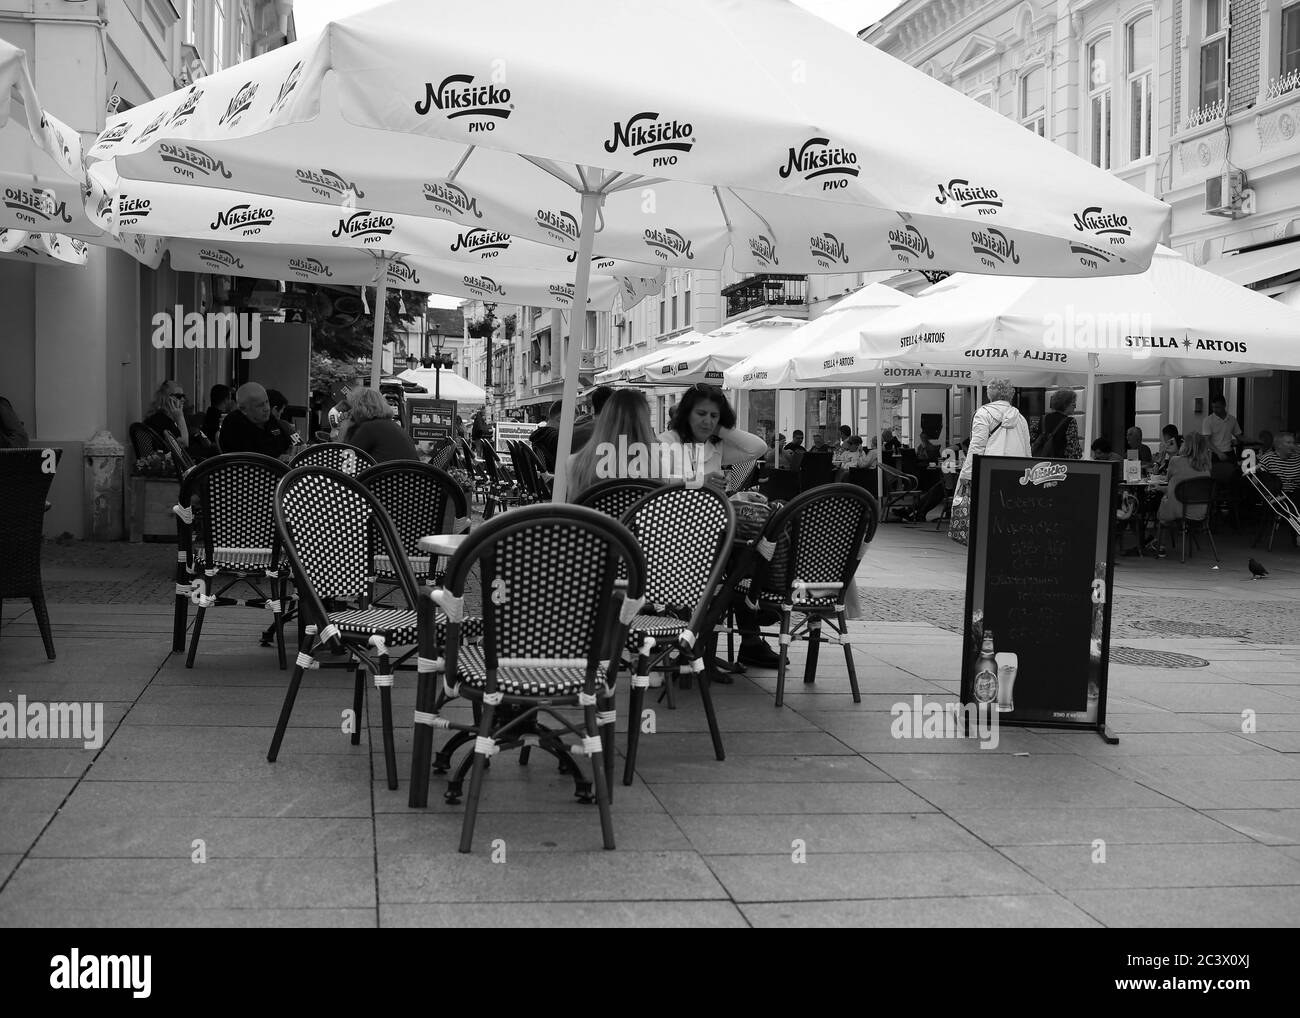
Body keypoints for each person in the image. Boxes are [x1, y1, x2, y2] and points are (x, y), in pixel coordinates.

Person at [656, 385, 775, 673]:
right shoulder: (666, 442)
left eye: (713, 415)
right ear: (686, 413)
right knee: (739, 561)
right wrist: (700, 481)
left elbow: (758, 448)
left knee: (754, 548)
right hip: (674, 534)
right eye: (700, 414)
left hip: (711, 531)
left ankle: (749, 612)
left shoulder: (715, 444)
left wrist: (720, 428)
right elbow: (658, 485)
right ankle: (748, 617)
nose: (706, 421)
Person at [565, 388, 656, 497]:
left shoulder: (575, 463)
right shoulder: (662, 462)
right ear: (644, 423)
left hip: (594, 513)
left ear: (605, 417)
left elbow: (573, 510)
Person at [956, 378, 1032, 488]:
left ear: (989, 394)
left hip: (990, 469)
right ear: (1011, 395)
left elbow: (977, 446)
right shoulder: (1020, 417)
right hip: (1017, 472)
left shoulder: (983, 414)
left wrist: (967, 474)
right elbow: (1027, 449)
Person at [1153, 433, 1214, 556]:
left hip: (1177, 509)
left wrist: (1159, 488)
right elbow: (1181, 488)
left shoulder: (1176, 461)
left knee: (1163, 501)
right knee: (1169, 498)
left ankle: (1160, 544)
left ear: (1187, 445)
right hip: (1199, 511)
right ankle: (1159, 542)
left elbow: (1170, 483)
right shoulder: (1207, 465)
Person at [338, 386, 420, 463]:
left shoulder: (369, 428)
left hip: (386, 476)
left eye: (352, 407)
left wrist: (344, 429)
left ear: (359, 408)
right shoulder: (391, 426)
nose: (350, 412)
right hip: (410, 476)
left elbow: (344, 461)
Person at [218, 383, 294, 460]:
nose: (266, 408)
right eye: (260, 405)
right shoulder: (234, 423)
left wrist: (292, 451)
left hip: (278, 468)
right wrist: (278, 457)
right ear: (243, 409)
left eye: (267, 402)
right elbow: (248, 457)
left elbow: (287, 445)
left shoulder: (269, 419)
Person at [1032, 389, 1082, 458]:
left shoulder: (1043, 418)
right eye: (1073, 403)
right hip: (1060, 464)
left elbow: (1033, 438)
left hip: (1040, 462)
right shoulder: (1070, 421)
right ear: (1065, 404)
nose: (1075, 406)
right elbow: (1073, 449)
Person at [143, 380, 190, 448]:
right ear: (167, 398)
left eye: (183, 396)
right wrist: (180, 417)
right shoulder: (161, 419)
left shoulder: (163, 416)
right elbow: (184, 444)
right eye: (178, 396)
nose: (183, 399)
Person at [1201, 395, 1242, 461]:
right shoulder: (1208, 420)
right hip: (1215, 453)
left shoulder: (1232, 419)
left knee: (1233, 470)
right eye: (1213, 407)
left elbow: (1239, 436)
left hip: (1230, 452)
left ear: (1224, 405)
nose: (1214, 410)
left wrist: (1254, 440)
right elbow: (1206, 441)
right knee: (1217, 471)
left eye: (1217, 407)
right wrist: (1219, 453)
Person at [266, 389, 301, 456]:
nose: (282, 412)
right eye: (282, 409)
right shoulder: (283, 425)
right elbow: (300, 443)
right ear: (275, 409)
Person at [529, 400, 562, 472]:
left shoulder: (539, 436)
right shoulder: (556, 438)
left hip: (546, 480)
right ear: (560, 418)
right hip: (556, 480)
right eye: (573, 421)